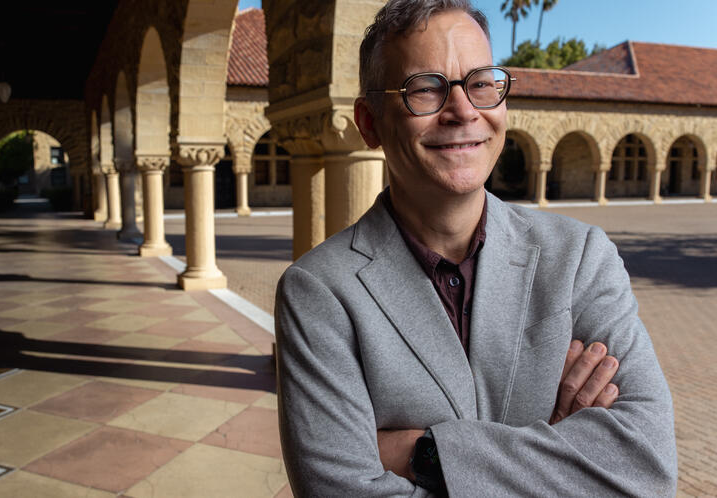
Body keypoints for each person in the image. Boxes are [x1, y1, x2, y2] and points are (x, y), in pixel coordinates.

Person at [273, 0, 677, 496]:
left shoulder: (580, 258)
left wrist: (426, 453)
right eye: (425, 88)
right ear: (369, 122)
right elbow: (337, 490)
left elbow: (649, 464)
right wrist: (560, 446)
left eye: (481, 83)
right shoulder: (319, 291)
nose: (463, 110)